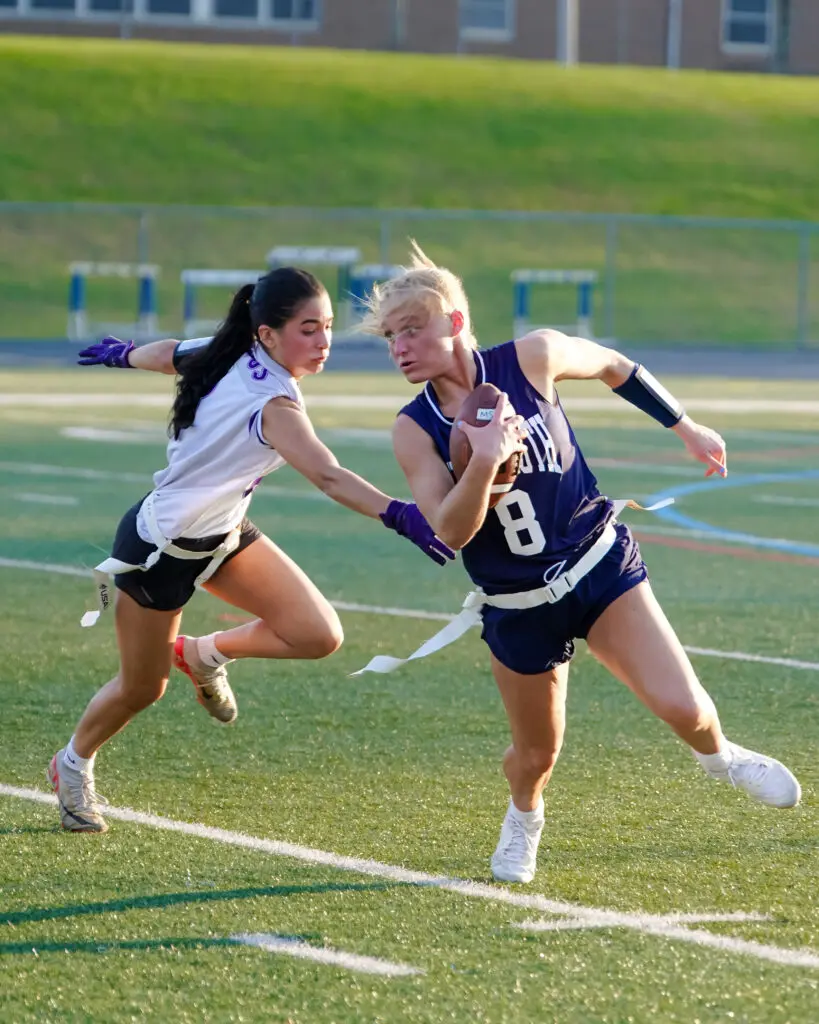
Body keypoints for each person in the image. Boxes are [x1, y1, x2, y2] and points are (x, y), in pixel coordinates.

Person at [356, 242, 801, 885]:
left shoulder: (530, 356)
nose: (399, 346)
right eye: (391, 337)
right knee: (537, 754)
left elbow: (614, 365)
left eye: (411, 329)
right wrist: (485, 461)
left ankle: (723, 759)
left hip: (597, 563)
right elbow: (450, 532)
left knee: (689, 709)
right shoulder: (413, 428)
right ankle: (525, 816)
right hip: (517, 604)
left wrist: (687, 426)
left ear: (454, 321)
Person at [49, 267, 454, 834]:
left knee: (318, 634)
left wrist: (128, 354)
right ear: (267, 334)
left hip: (224, 535)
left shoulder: (230, 351)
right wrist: (399, 515)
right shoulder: (272, 403)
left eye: (328, 327)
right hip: (159, 551)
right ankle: (72, 763)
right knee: (142, 688)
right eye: (308, 329)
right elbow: (329, 475)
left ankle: (203, 653)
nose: (323, 342)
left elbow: (170, 354)